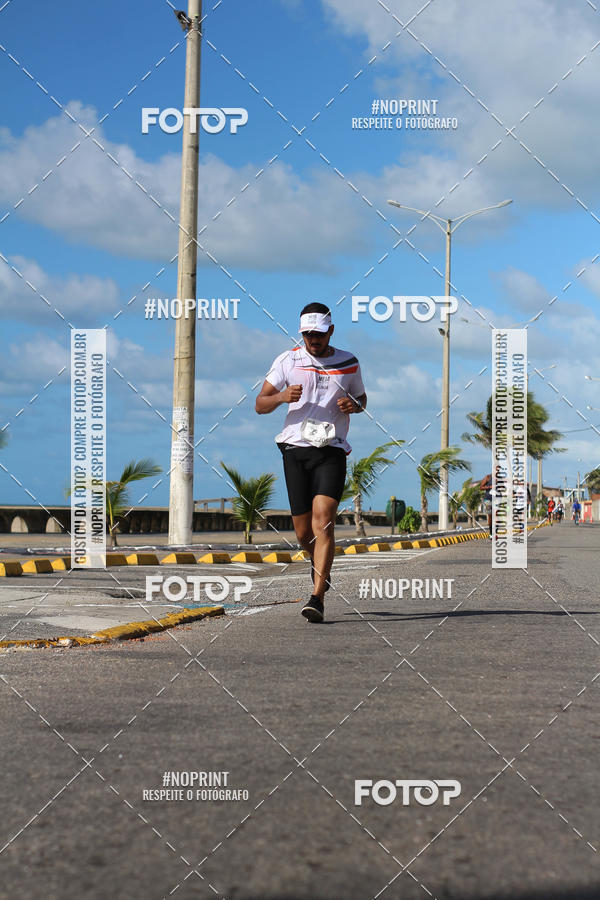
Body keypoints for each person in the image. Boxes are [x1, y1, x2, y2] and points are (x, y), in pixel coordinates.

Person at [255, 302, 367, 624]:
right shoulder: (287, 360)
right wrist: (281, 397)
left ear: (330, 330)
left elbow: (362, 398)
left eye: (318, 334)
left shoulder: (349, 362)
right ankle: (319, 566)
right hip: (295, 448)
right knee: (304, 533)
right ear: (301, 332)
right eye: (307, 334)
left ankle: (317, 597)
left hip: (331, 449)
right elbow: (259, 404)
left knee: (324, 520)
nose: (313, 339)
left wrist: (354, 405)